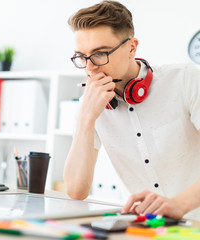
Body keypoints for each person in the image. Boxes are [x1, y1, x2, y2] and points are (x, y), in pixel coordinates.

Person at [63, 0, 200, 220]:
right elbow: (76, 191)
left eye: (100, 54)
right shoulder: (89, 105)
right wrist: (86, 119)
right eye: (81, 57)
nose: (89, 67)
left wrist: (178, 205)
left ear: (132, 47)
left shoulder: (186, 80)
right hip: (145, 228)